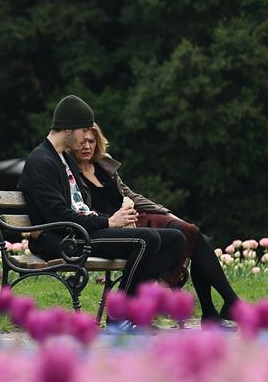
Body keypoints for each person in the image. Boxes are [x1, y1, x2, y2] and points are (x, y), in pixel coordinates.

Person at [69, 121, 241, 325]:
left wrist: (167, 213)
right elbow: (80, 210)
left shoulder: (103, 165)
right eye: (82, 142)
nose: (87, 146)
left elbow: (130, 195)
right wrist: (113, 220)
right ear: (71, 143)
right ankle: (218, 310)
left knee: (192, 233)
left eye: (92, 141)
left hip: (136, 217)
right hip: (113, 227)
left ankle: (220, 308)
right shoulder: (70, 173)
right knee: (192, 237)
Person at [18, 95, 186, 300]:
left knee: (176, 239)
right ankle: (120, 313)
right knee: (146, 239)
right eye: (84, 130)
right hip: (62, 240)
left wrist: (115, 219)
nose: (88, 136)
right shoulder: (41, 161)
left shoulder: (63, 159)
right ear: (68, 129)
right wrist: (108, 221)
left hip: (80, 233)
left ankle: (132, 305)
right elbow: (57, 216)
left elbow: (79, 207)